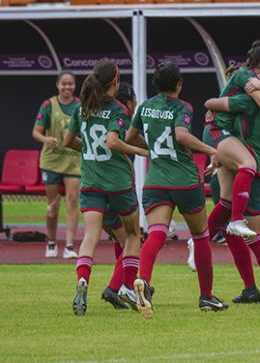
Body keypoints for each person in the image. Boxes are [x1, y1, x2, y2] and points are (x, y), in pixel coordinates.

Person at [125, 62, 227, 318]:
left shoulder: (145, 106)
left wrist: (154, 149)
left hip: (156, 180)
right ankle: (206, 296)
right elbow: (181, 136)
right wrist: (212, 150)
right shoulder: (183, 108)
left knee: (156, 234)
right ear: (179, 84)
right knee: (201, 236)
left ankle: (143, 281)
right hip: (184, 180)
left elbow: (129, 137)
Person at [203, 62, 260, 304]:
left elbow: (213, 105)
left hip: (258, 175)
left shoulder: (251, 105)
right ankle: (250, 289)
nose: (257, 76)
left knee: (253, 236)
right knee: (235, 235)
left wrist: (214, 113)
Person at [63, 59, 148, 316]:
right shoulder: (117, 109)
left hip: (91, 182)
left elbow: (67, 141)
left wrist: (89, 149)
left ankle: (83, 281)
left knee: (90, 237)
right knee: (133, 237)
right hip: (118, 183)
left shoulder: (82, 108)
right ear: (115, 81)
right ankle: (127, 288)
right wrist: (141, 151)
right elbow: (113, 142)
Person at [203, 40, 260, 239]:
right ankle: (235, 221)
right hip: (218, 131)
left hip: (229, 135)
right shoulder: (246, 76)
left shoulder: (258, 83)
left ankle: (199, 240)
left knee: (226, 198)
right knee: (248, 164)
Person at [32, 70, 81, 259]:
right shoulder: (48, 105)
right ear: (57, 84)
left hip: (73, 161)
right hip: (52, 161)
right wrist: (46, 138)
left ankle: (69, 245)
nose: (67, 87)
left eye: (70, 84)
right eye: (64, 84)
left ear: (74, 86)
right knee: (52, 206)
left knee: (72, 201)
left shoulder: (80, 105)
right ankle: (51, 241)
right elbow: (36, 132)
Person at [100, 82, 138, 310]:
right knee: (132, 242)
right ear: (130, 102)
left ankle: (132, 283)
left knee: (120, 239)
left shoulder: (96, 115)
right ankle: (116, 288)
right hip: (115, 189)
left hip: (94, 189)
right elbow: (123, 141)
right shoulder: (121, 120)